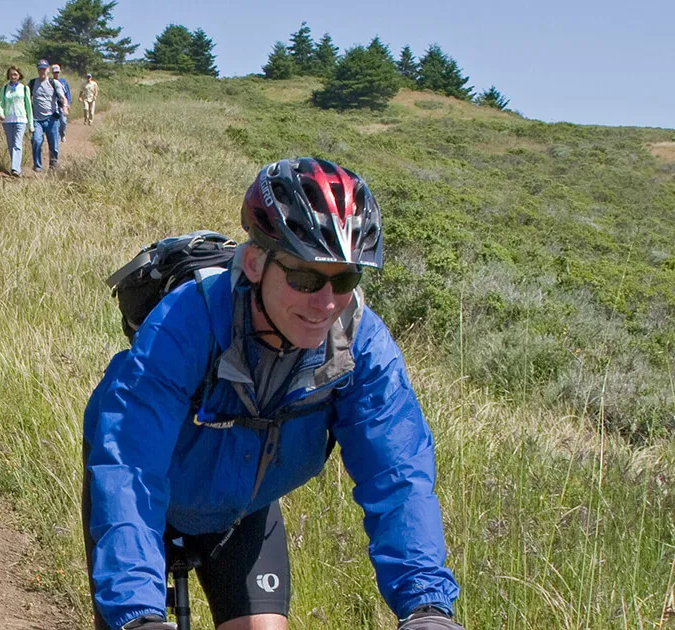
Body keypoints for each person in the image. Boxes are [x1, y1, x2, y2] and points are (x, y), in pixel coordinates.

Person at [83, 158, 464, 630]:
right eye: (305, 277)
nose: (325, 303)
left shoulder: (359, 344)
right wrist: (139, 617)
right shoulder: (183, 326)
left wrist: (426, 606)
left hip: (242, 507)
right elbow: (131, 469)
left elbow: (399, 473)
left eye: (345, 279)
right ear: (254, 262)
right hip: (145, 497)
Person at [27, 59, 67, 172]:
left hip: (52, 119)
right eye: (40, 69)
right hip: (36, 120)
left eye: (44, 69)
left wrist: (64, 107)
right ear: (37, 70)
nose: (42, 71)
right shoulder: (32, 83)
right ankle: (37, 166)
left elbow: (62, 97)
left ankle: (53, 166)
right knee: (36, 140)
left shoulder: (54, 83)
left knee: (54, 145)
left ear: (48, 69)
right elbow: (25, 97)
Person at [0, 65, 32, 177]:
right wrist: (1, 113)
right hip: (8, 120)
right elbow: (1, 103)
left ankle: (15, 169)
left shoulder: (24, 88)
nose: (13, 76)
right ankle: (15, 166)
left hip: (21, 120)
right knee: (11, 144)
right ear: (9, 75)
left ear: (19, 75)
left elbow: (28, 107)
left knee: (17, 143)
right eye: (11, 74)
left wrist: (31, 124)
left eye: (15, 74)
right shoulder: (5, 89)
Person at [50, 64, 72, 142]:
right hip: (53, 105)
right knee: (55, 121)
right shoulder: (50, 82)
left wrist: (68, 103)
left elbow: (67, 93)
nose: (56, 74)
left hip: (62, 104)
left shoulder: (63, 82)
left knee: (63, 121)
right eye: (55, 72)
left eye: (57, 72)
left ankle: (62, 134)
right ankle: (57, 136)